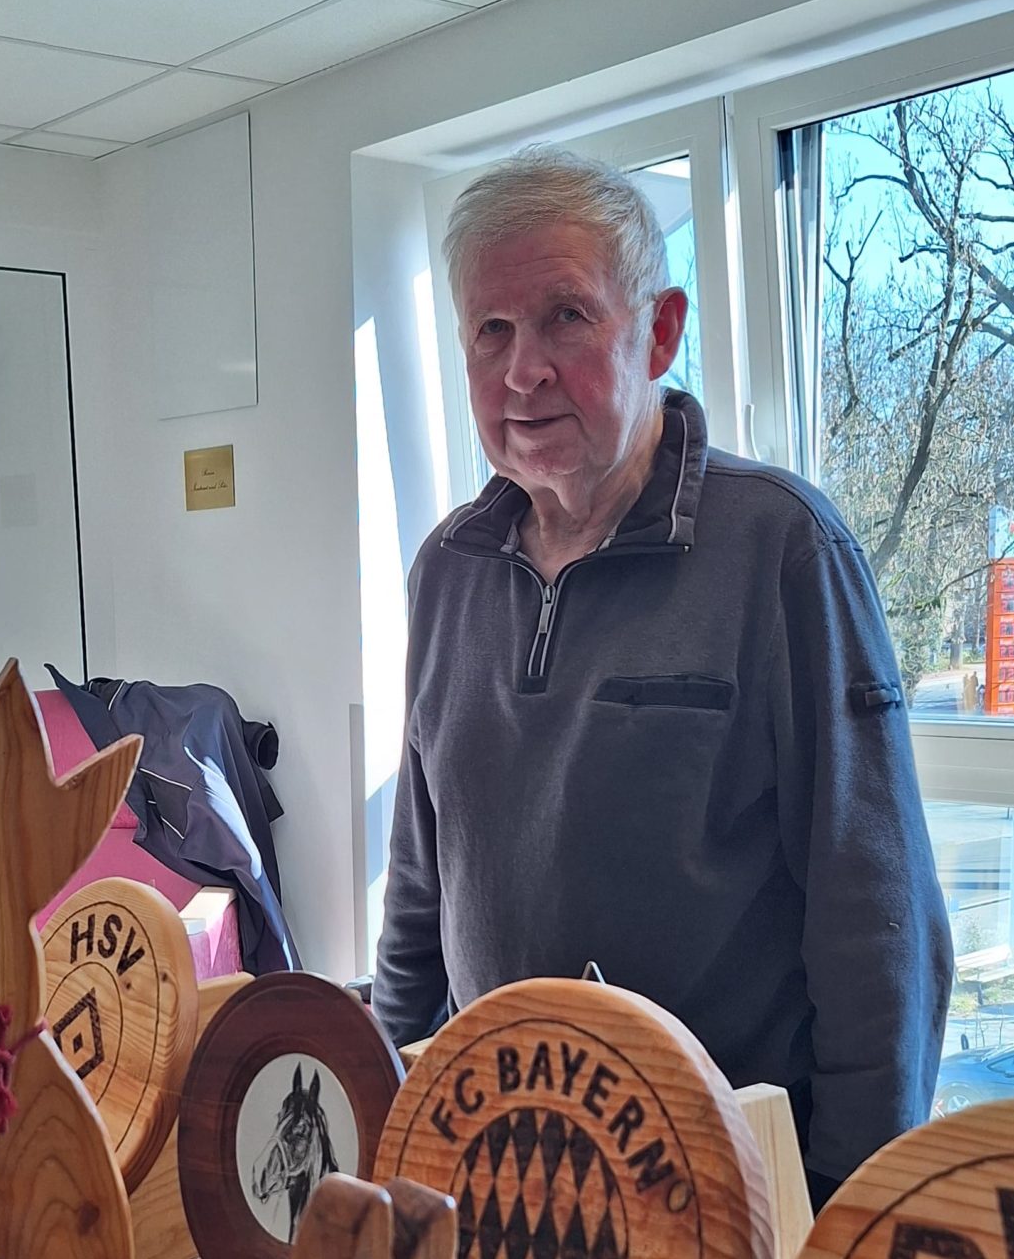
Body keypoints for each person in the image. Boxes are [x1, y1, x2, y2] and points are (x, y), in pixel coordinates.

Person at [372, 146, 952, 1205]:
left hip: (727, 1194)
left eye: (565, 317)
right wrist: (389, 1134)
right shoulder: (446, 570)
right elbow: (420, 888)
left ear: (661, 331)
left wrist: (845, 1214)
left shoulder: (783, 550)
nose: (522, 370)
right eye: (490, 330)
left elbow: (878, 929)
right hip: (499, 1177)